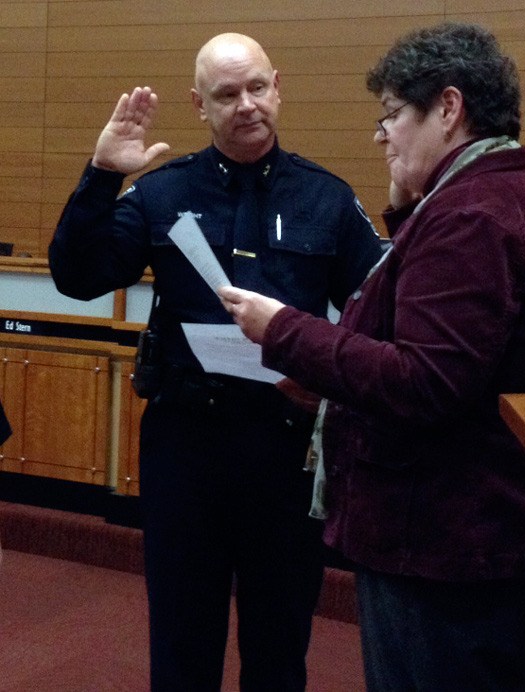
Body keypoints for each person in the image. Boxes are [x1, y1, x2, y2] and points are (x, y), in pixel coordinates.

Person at [218, 22, 525, 692]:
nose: (382, 135)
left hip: (445, 546)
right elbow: (454, 350)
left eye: (393, 115)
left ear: (448, 109)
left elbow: (423, 381)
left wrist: (283, 331)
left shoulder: (472, 216)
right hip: (494, 533)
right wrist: (409, 214)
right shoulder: (524, 199)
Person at [48, 33, 383, 691]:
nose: (247, 105)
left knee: (280, 640)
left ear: (278, 86)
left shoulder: (328, 199)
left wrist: (333, 378)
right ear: (200, 105)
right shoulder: (161, 193)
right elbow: (77, 276)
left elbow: (379, 316)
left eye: (257, 87)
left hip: (285, 449)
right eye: (227, 94)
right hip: (186, 447)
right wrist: (102, 174)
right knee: (181, 637)